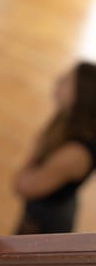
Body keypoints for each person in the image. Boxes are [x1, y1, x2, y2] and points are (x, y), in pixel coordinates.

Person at [14, 62, 96, 234]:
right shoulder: (70, 120)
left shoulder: (74, 154)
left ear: (80, 96)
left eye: (67, 80)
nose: (59, 80)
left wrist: (33, 157)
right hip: (55, 197)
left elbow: (24, 186)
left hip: (46, 219)